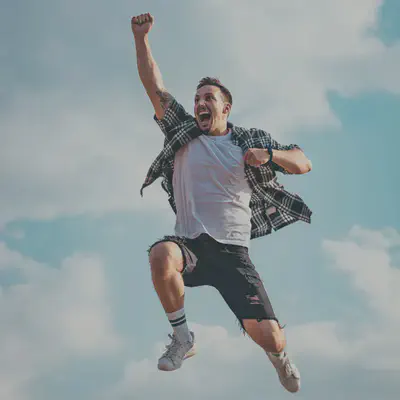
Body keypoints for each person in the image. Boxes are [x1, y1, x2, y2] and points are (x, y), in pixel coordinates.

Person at [131, 12, 312, 393]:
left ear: (225, 108)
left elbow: (302, 161)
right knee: (161, 254)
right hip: (190, 244)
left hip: (233, 253)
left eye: (208, 98)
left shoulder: (246, 140)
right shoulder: (181, 129)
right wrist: (141, 38)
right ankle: (183, 338)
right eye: (197, 98)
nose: (199, 103)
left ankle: (279, 358)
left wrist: (268, 154)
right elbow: (154, 85)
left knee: (271, 337)